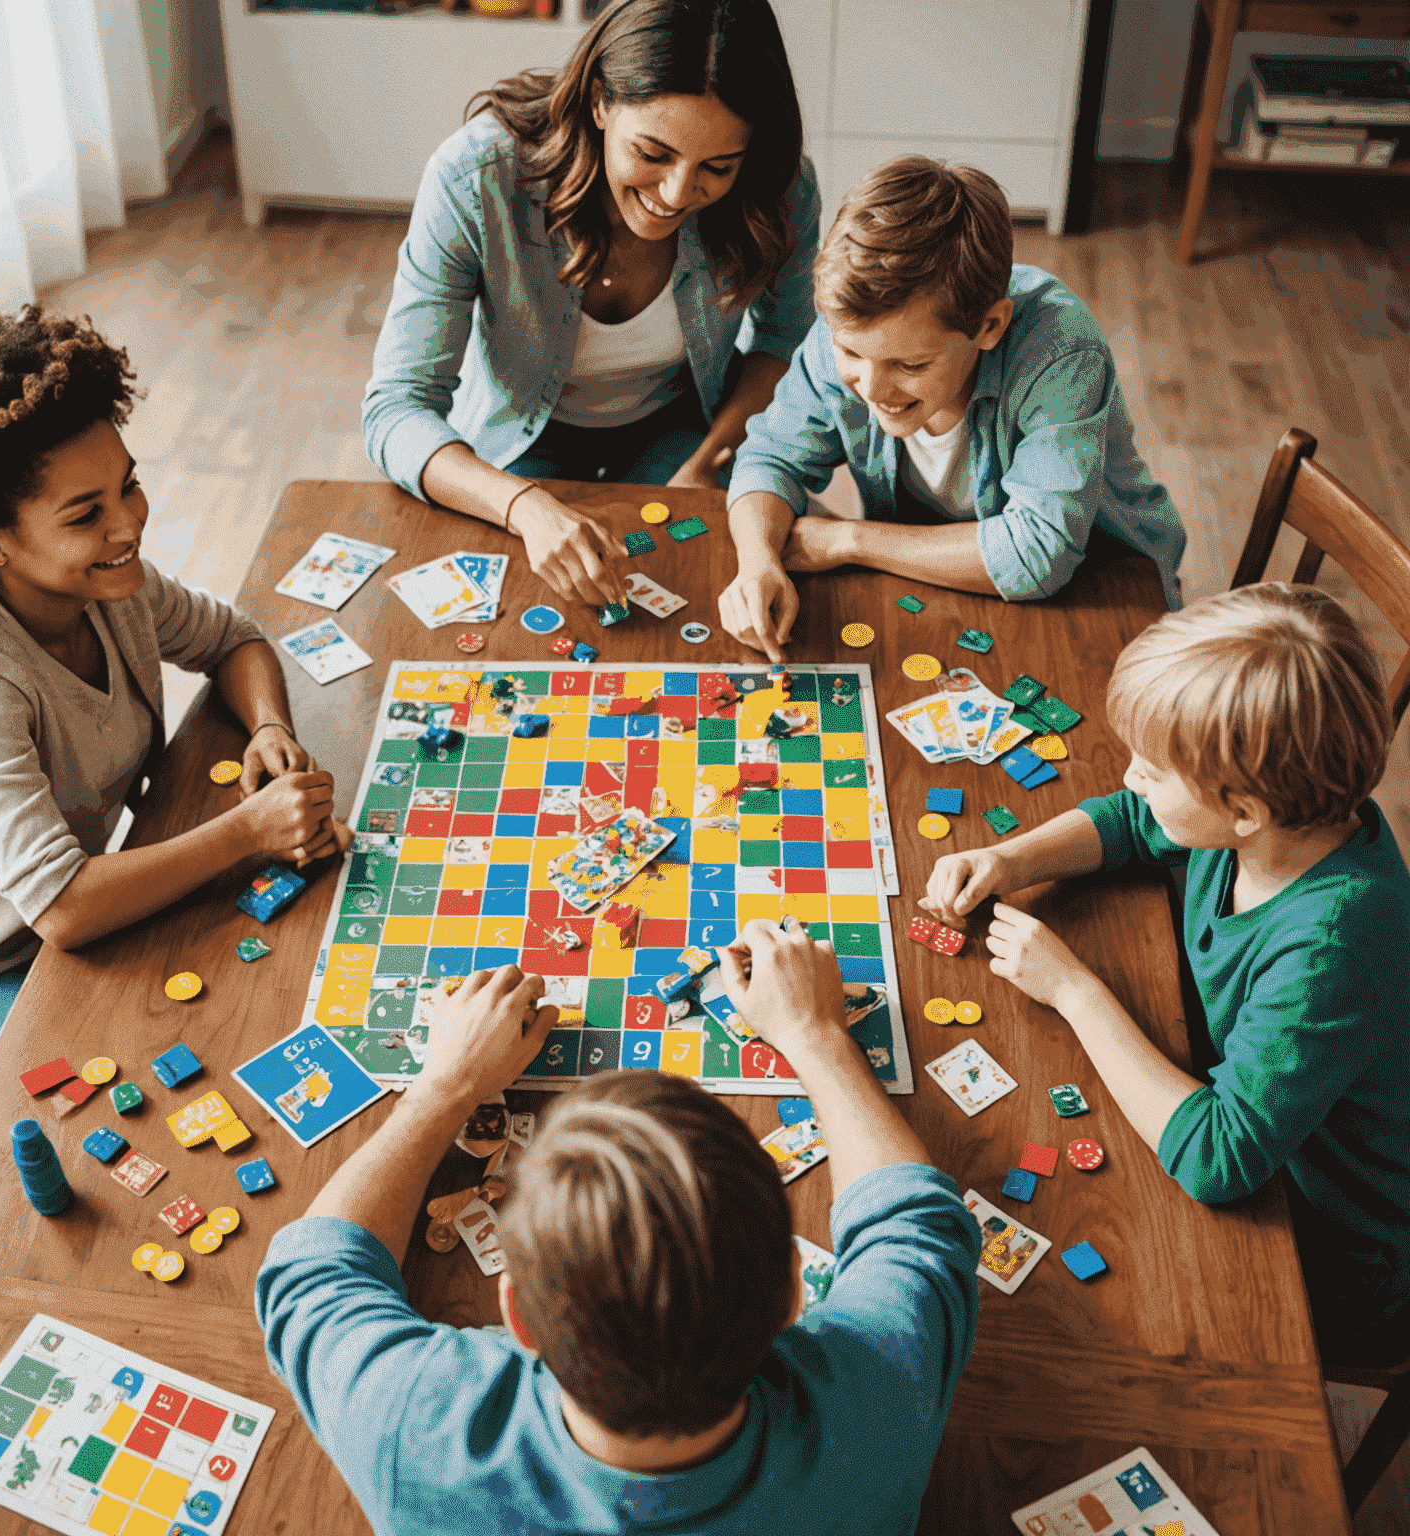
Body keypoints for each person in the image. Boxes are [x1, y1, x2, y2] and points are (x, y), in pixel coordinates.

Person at [256, 918, 981, 1535]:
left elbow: (313, 1271)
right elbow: (914, 1222)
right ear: (795, 1292)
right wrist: (816, 1034)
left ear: (520, 1317)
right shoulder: (880, 1399)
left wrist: (442, 1088)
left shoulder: (412, 1428)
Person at [924, 584, 1410, 1366]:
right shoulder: (1277, 824)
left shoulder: (1334, 945)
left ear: (1242, 809)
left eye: (1152, 768)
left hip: (1325, 1248)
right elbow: (1133, 824)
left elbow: (1221, 1158)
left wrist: (1074, 990)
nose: (1130, 777)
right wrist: (1009, 859)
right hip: (1241, 1110)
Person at [0, 304, 349, 1075]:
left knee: (253, 1001)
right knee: (137, 1077)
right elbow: (63, 907)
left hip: (89, 891)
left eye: (127, 487)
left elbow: (234, 638)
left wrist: (266, 727)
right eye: (85, 513)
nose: (128, 526)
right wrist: (248, 830)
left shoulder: (110, 583)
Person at [362, 0, 820, 612]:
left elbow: (784, 342)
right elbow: (396, 408)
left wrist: (709, 460)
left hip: (685, 427)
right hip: (517, 437)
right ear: (601, 101)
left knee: (737, 579)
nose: (677, 194)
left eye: (717, 167)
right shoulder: (475, 175)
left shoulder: (780, 185)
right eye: (652, 154)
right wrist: (523, 507)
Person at [719, 156, 1186, 662]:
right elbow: (768, 456)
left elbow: (1038, 555)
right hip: (943, 579)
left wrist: (849, 539)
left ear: (989, 327)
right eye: (851, 353)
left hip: (1106, 593)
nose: (871, 387)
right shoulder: (851, 327)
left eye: (911, 363)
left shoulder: (1061, 349)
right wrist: (757, 559)